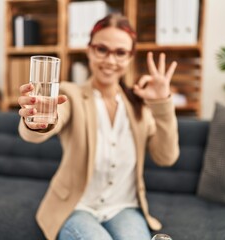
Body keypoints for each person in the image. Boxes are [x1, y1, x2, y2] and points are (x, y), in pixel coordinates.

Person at [18, 13, 179, 240]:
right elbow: (39, 130)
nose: (110, 61)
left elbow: (167, 157)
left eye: (120, 52)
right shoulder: (70, 94)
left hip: (124, 208)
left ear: (130, 57)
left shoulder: (139, 105)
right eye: (102, 49)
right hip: (76, 206)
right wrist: (36, 118)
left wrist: (162, 103)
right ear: (89, 50)